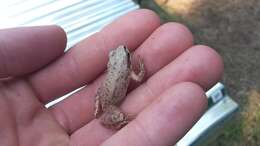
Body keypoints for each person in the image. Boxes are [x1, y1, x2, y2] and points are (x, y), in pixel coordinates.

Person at [0, 9, 223, 146]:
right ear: (122, 60)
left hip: (105, 96)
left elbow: (133, 76)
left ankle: (104, 113)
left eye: (122, 54)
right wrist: (140, 69)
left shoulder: (120, 69)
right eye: (122, 54)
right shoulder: (128, 71)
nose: (123, 52)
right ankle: (118, 120)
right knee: (120, 115)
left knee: (108, 108)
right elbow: (139, 76)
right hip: (112, 103)